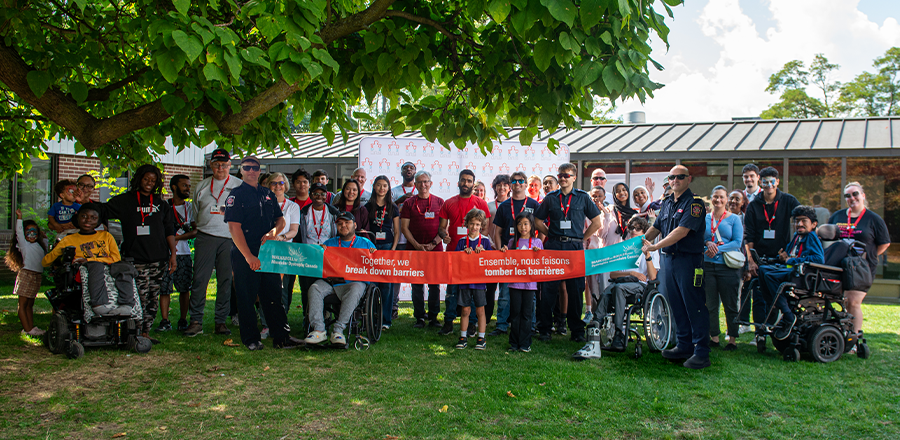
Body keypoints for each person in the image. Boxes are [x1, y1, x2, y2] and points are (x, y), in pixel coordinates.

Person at [224, 155, 302, 350]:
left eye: (255, 167)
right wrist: (249, 257)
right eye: (247, 167)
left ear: (260, 171)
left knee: (274, 295)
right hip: (245, 253)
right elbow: (234, 228)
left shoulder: (267, 194)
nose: (251, 171)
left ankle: (281, 337)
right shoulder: (236, 195)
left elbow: (281, 221)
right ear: (241, 170)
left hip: (268, 252)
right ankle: (251, 339)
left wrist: (273, 232)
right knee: (246, 297)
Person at [640, 165, 710, 369]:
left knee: (694, 305)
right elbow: (657, 227)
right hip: (669, 260)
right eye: (672, 177)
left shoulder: (694, 203)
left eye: (680, 177)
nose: (675, 180)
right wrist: (637, 244)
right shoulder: (668, 202)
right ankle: (684, 345)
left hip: (688, 261)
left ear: (689, 179)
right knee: (676, 304)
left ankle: (702, 352)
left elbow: (682, 230)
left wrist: (655, 246)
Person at [101, 165, 176, 343]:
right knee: (138, 296)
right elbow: (102, 211)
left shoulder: (160, 203)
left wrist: (172, 254)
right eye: (146, 179)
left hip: (159, 258)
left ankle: (146, 332)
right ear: (138, 179)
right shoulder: (125, 201)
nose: (149, 183)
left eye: (153, 180)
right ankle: (134, 331)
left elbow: (169, 230)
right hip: (135, 258)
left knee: (152, 296)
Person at [534, 163, 602, 343]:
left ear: (574, 177)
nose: (563, 178)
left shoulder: (582, 198)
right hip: (554, 247)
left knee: (575, 290)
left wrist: (582, 238)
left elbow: (597, 222)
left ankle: (577, 330)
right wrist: (551, 235)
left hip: (574, 248)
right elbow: (537, 221)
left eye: (566, 175)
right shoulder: (550, 198)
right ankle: (545, 329)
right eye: (560, 175)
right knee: (548, 290)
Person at [185, 148, 241, 337]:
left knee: (225, 280)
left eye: (224, 164)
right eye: (216, 164)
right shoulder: (201, 186)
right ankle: (195, 321)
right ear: (211, 165)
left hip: (230, 239)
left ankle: (220, 322)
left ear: (230, 165)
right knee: (200, 279)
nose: (220, 168)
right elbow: (195, 212)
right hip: (205, 236)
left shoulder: (239, 186)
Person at [44, 204, 136, 317]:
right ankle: (98, 305)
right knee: (95, 265)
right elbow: (45, 262)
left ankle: (126, 304)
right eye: (84, 216)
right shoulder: (68, 239)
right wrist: (60, 250)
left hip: (109, 266)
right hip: (84, 270)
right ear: (77, 218)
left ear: (98, 221)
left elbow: (116, 258)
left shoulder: (106, 236)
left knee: (125, 266)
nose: (88, 220)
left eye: (93, 218)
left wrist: (88, 259)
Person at [828, 182, 890, 349]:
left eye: (855, 194)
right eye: (847, 196)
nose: (851, 198)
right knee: (839, 300)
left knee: (853, 301)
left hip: (861, 269)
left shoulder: (873, 219)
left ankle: (853, 341)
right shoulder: (837, 217)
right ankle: (838, 334)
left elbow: (884, 243)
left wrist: (866, 257)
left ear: (863, 195)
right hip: (839, 266)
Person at [743, 166, 800, 350]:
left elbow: (802, 225)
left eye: (772, 182)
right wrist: (751, 260)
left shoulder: (789, 201)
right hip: (760, 258)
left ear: (777, 182)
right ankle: (760, 333)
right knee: (759, 295)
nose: (769, 185)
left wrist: (791, 252)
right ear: (761, 182)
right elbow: (749, 236)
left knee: (777, 294)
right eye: (765, 182)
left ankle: (775, 329)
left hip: (782, 258)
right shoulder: (753, 205)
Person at [304, 211, 377, 346]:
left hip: (353, 283)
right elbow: (319, 265)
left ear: (354, 225)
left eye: (347, 223)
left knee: (356, 287)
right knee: (314, 288)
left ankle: (338, 330)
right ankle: (319, 329)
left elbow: (377, 265)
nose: (343, 226)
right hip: (331, 282)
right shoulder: (329, 243)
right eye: (340, 223)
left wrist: (374, 255)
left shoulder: (366, 244)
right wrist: (320, 252)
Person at [757, 206, 824, 341]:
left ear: (814, 224)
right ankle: (774, 306)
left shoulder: (811, 237)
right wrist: (782, 257)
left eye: (804, 221)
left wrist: (792, 260)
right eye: (797, 221)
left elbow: (819, 259)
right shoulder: (796, 237)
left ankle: (787, 315)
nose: (799, 224)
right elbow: (787, 256)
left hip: (802, 276)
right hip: (789, 271)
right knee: (763, 270)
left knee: (769, 275)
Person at [438, 169, 491, 335]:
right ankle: (448, 322)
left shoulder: (481, 204)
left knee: (474, 291)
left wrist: (480, 244)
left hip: (474, 258)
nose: (466, 183)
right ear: (459, 182)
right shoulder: (448, 203)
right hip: (454, 253)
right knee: (452, 290)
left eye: (469, 181)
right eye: (463, 180)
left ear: (473, 184)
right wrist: (443, 235)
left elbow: (486, 228)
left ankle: (472, 324)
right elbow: (441, 227)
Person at [595, 216, 659, 352]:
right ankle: (596, 324)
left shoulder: (652, 249)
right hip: (622, 282)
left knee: (617, 288)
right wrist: (631, 273)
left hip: (640, 286)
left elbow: (652, 276)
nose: (634, 230)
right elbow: (612, 274)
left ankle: (619, 333)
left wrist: (647, 256)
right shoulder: (624, 248)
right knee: (608, 291)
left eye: (638, 228)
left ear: (644, 231)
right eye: (632, 228)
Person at [491, 172, 540, 336]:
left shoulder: (534, 204)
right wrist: (500, 252)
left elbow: (541, 227)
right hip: (508, 255)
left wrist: (538, 246)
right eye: (514, 181)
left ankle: (531, 326)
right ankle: (501, 325)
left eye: (521, 181)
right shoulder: (504, 206)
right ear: (511, 185)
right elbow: (497, 232)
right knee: (505, 292)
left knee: (529, 293)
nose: (517, 183)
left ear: (526, 184)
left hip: (529, 259)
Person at [257, 172, 301, 338]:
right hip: (265, 251)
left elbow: (294, 231)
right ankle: (266, 324)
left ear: (286, 186)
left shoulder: (292, 206)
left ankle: (280, 324)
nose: (277, 186)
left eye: (280, 183)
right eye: (273, 183)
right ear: (268, 186)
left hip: (284, 252)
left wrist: (281, 237)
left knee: (283, 290)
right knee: (265, 288)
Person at [400, 170, 445, 329]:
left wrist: (434, 243)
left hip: (436, 248)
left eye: (426, 181)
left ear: (431, 183)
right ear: (415, 184)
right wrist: (417, 245)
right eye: (419, 182)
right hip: (414, 249)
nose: (423, 185)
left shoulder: (440, 202)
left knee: (434, 284)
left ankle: (433, 318)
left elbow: (444, 227)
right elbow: (404, 228)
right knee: (417, 283)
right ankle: (419, 317)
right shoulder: (408, 203)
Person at [703, 186, 744, 351]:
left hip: (727, 267)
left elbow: (737, 242)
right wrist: (707, 243)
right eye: (715, 197)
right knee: (710, 304)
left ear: (726, 199)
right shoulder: (705, 218)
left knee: (730, 304)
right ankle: (714, 337)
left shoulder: (734, 219)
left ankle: (732, 339)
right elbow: (699, 238)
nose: (718, 200)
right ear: (711, 199)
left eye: (721, 197)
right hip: (708, 266)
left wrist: (718, 249)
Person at [296, 183, 341, 328]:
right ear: (310, 195)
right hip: (308, 255)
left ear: (326, 196)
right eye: (315, 193)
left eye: (322, 194)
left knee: (325, 286)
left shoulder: (333, 212)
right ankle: (307, 317)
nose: (319, 197)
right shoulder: (303, 212)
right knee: (306, 287)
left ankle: (326, 316)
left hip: (327, 256)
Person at [158, 175, 196, 332]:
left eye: (188, 185)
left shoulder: (190, 208)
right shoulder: (164, 206)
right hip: (165, 253)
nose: (187, 188)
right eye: (184, 185)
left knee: (184, 287)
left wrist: (178, 238)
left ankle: (183, 319)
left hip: (184, 253)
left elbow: (195, 230)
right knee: (165, 288)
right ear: (174, 187)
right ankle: (165, 320)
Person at [500, 212, 543, 352]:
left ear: (531, 226)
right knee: (515, 313)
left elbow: (542, 263)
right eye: (519, 224)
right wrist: (504, 252)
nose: (522, 227)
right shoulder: (513, 242)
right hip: (514, 283)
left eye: (525, 223)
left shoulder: (537, 243)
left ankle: (525, 343)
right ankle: (514, 342)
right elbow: (508, 262)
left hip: (530, 285)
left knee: (527, 314)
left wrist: (538, 254)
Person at [453, 209, 493, 350]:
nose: (474, 227)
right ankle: (463, 337)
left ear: (481, 225)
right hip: (465, 281)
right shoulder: (462, 241)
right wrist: (463, 253)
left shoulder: (486, 242)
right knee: (465, 310)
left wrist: (484, 253)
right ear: (466, 224)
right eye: (471, 224)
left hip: (480, 282)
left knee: (480, 310)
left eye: (477, 224)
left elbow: (492, 260)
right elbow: (456, 260)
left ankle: (481, 338)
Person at [364, 175, 400, 329]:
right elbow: (364, 229)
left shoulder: (393, 207)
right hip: (371, 247)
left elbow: (397, 231)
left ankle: (385, 320)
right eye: (379, 185)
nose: (381, 188)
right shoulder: (367, 207)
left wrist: (393, 249)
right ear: (374, 187)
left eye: (385, 185)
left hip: (387, 247)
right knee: (371, 283)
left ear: (388, 188)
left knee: (387, 285)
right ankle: (371, 317)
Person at [6, 210, 48, 336]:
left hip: (36, 276)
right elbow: (18, 233)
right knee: (23, 303)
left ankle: (30, 327)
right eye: (28, 231)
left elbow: (46, 250)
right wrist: (19, 218)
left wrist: (44, 236)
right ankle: (27, 329)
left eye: (34, 231)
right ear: (24, 234)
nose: (32, 234)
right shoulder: (23, 245)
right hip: (26, 275)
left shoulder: (39, 245)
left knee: (30, 303)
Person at [584, 185, 620, 324]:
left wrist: (605, 215)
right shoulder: (585, 213)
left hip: (606, 254)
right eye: (593, 196)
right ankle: (594, 316)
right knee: (593, 287)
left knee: (605, 286)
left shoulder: (610, 212)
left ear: (605, 197)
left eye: (599, 196)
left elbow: (604, 233)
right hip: (591, 254)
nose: (596, 198)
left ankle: (609, 317)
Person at [390, 161, 418, 320]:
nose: (408, 170)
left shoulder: (420, 191)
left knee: (416, 274)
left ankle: (418, 310)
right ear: (401, 172)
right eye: (405, 168)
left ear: (415, 171)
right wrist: (400, 200)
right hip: (398, 238)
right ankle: (394, 306)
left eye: (411, 168)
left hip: (414, 239)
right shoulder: (394, 192)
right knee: (396, 275)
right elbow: (385, 208)